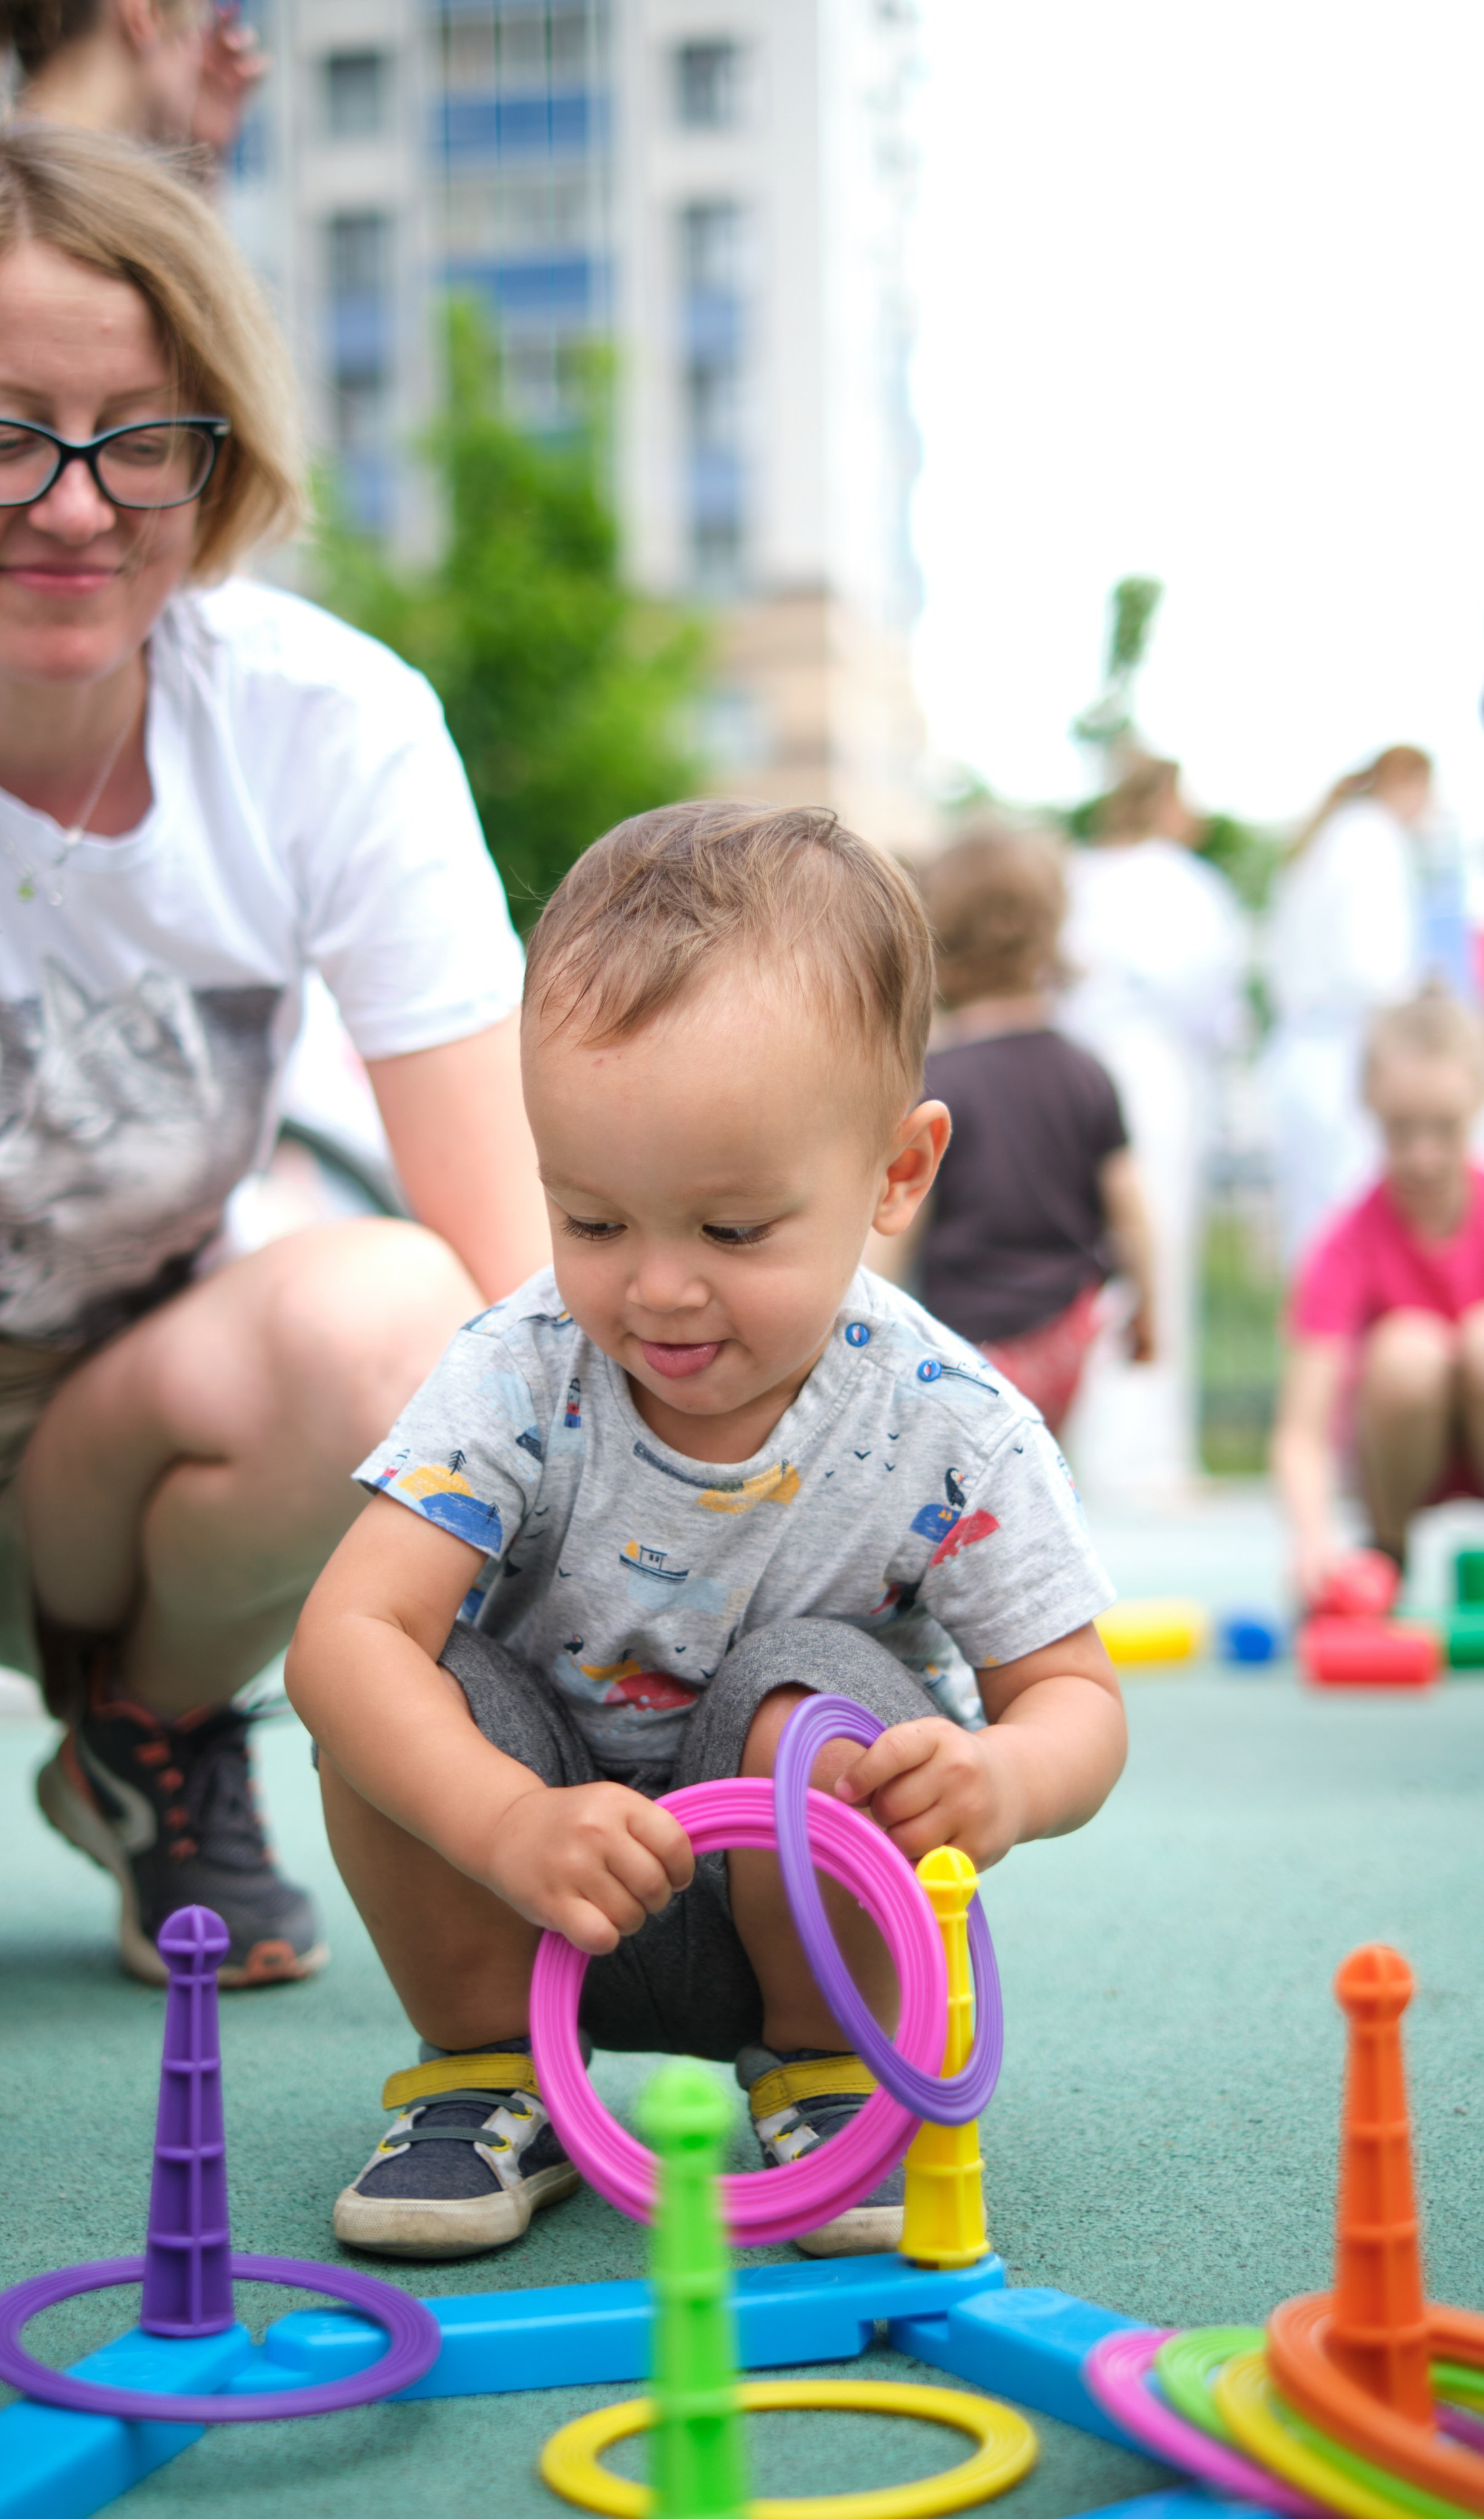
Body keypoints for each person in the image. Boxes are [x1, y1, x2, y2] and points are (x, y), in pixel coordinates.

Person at [0, 125, 546, 1992]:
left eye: (141, 437)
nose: (76, 506)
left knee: (405, 1315)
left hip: (130, 1461)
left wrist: (651, 1637)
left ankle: (144, 1735)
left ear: (216, 456)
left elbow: (515, 1264)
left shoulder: (332, 725)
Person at [286, 802, 1127, 2263]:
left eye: (732, 1231)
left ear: (896, 1172)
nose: (658, 1289)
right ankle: (484, 2074)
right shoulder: (518, 1367)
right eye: (593, 1220)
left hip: (800, 1911)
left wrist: (1004, 1778)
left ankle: (828, 2072)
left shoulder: (950, 1420)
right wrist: (504, 1824)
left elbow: (1077, 1700)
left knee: (815, 1692)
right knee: (406, 1687)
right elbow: (339, 1641)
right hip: (534, 1891)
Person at [892, 823, 1154, 1435]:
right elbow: (1132, 1215)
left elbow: (900, 1223)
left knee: (959, 1475)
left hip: (964, 1348)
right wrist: (1149, 1316)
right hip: (1065, 1339)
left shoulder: (936, 1082)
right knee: (1035, 1463)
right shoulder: (1085, 1071)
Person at [1058, 755, 1246, 1499]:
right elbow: (1214, 1002)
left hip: (1079, 1072)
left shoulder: (1081, 875)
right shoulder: (1185, 883)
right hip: (1156, 1073)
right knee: (1154, 1251)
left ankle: (1086, 1444)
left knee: (1091, 1257)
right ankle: (1145, 1458)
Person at [1273, 992, 1484, 1601]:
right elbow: (1301, 1432)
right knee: (1409, 1351)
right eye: (1401, 1130)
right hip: (1395, 1466)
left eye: (1444, 1128)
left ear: (1475, 1101)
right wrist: (1313, 1541)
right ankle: (1390, 1553)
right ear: (1369, 1106)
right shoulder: (1345, 1244)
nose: (1423, 1157)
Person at [1263, 745, 1435, 1268]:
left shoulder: (1329, 838)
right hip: (1345, 1059)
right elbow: (1376, 969)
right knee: (1348, 1230)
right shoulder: (1373, 840)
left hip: (1304, 1055)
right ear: (1409, 784)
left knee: (1312, 1233)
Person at [0, 0, 264, 167]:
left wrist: (200, 159)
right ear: (144, 14)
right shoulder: (97, 218)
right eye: (199, 21)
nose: (202, 58)